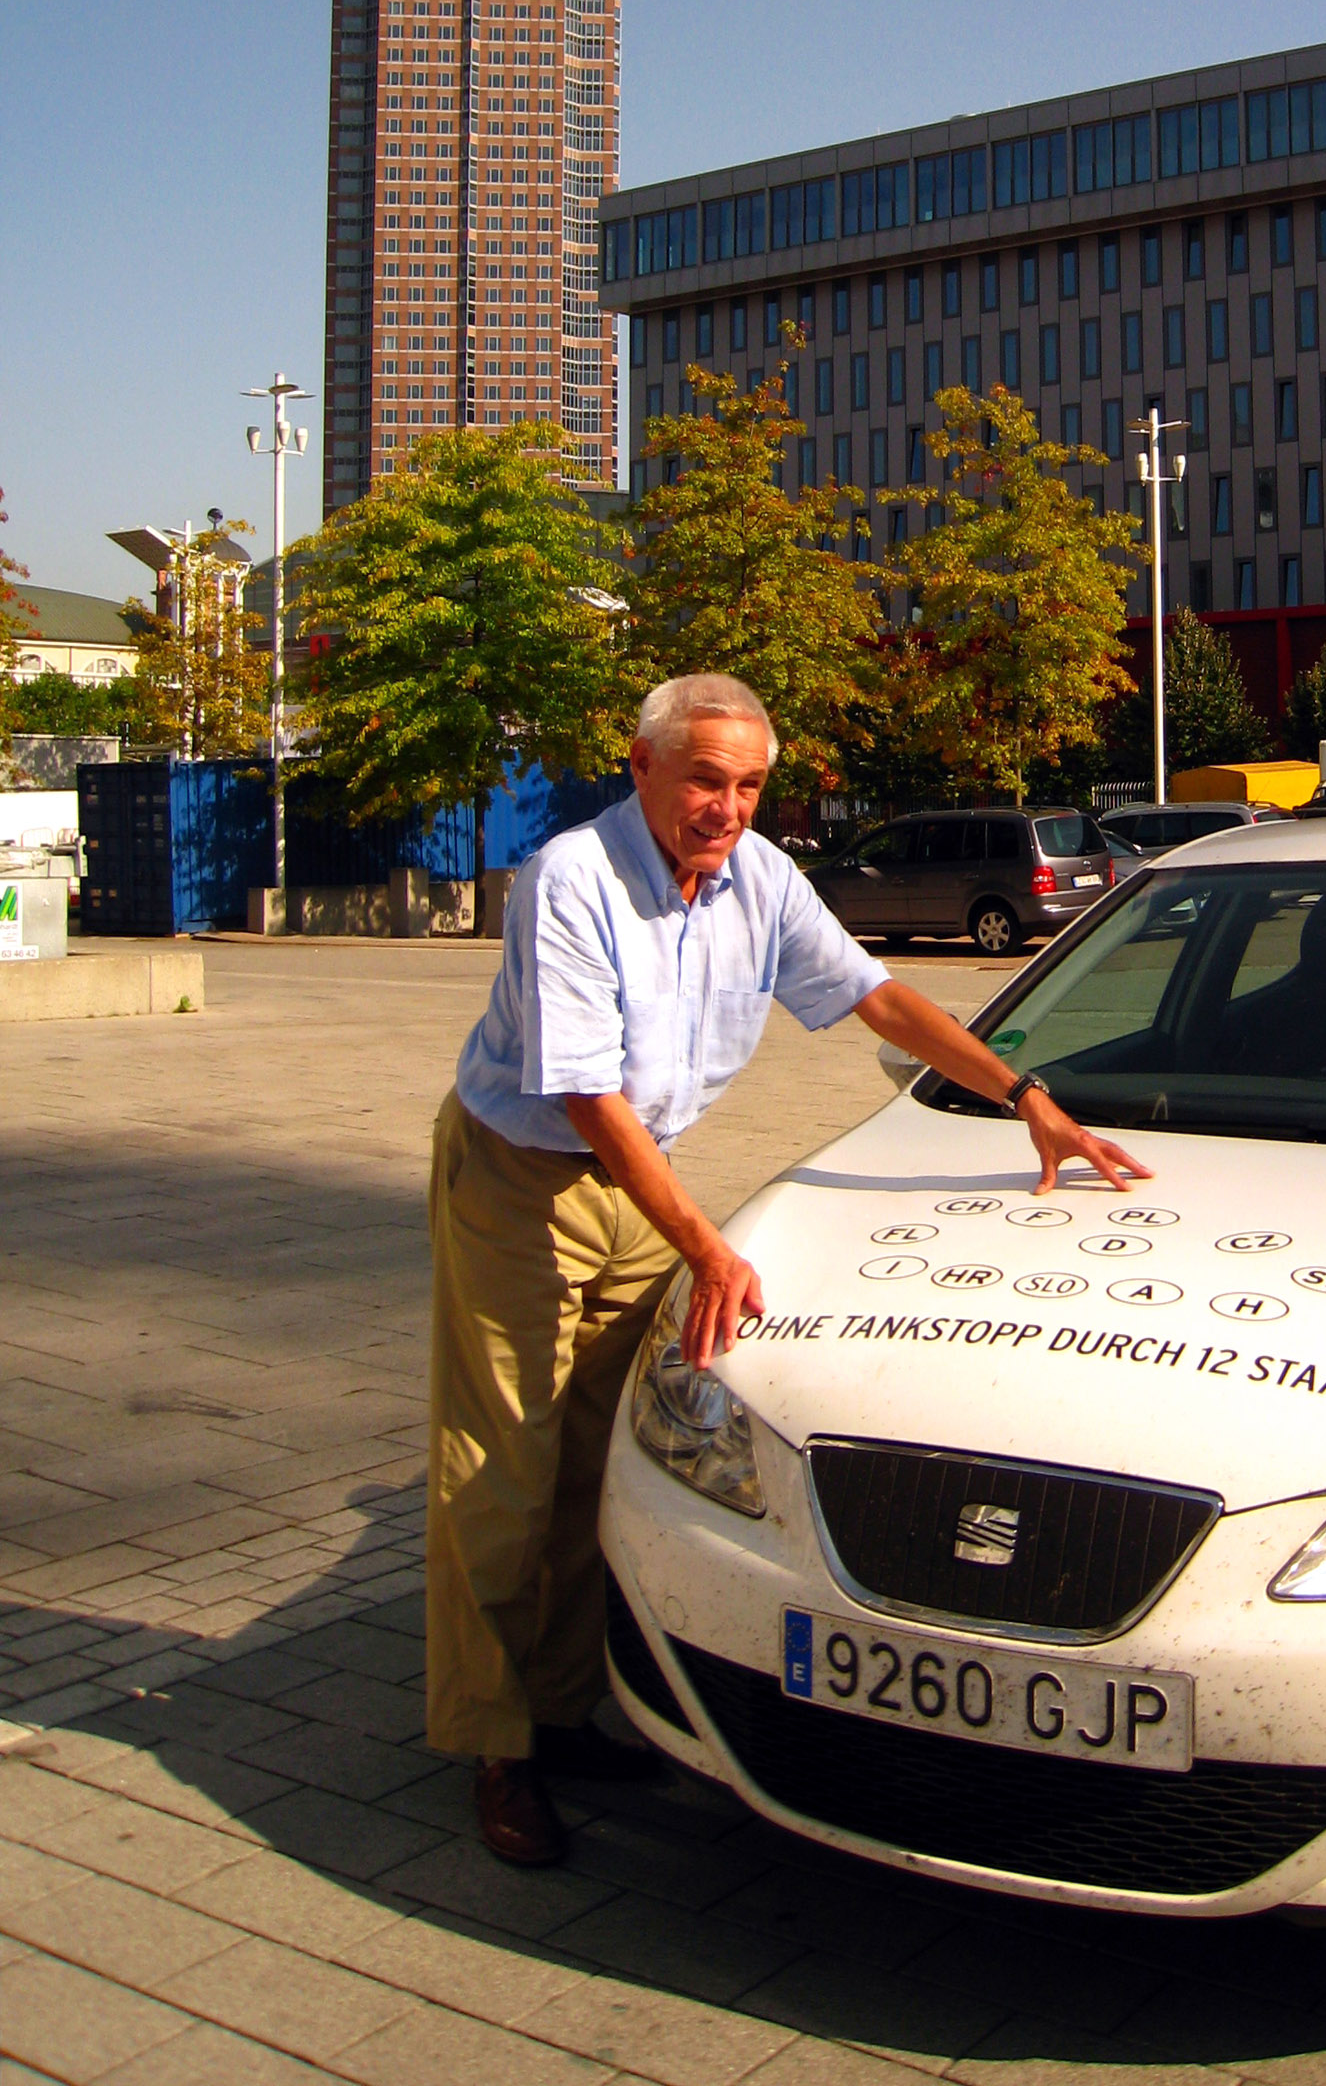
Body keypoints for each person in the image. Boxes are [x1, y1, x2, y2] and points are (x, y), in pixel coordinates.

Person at [428, 672, 1147, 1866]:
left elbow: (877, 997)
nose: (727, 806)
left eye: (749, 784)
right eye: (706, 778)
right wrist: (704, 1244)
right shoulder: (574, 879)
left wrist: (1025, 1097)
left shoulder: (759, 877)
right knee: (503, 1474)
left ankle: (559, 1712)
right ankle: (494, 1748)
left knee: (590, 1472)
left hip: (632, 1172)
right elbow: (582, 1092)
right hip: (523, 1177)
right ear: (642, 765)